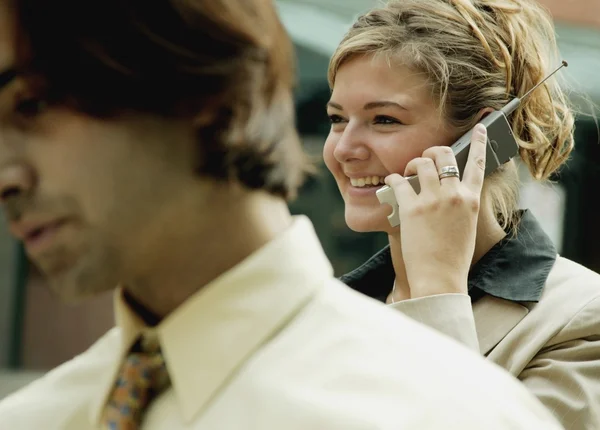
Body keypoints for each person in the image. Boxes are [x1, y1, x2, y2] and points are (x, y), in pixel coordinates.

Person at [0, 0, 565, 429]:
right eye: (335, 118)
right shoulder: (36, 416)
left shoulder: (460, 408)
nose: (344, 149)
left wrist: (439, 304)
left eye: (31, 105)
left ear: (201, 94)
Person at [324, 0, 600, 428]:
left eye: (383, 119)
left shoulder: (581, 319)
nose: (344, 149)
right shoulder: (332, 310)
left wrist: (437, 294)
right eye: (338, 119)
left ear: (479, 140)